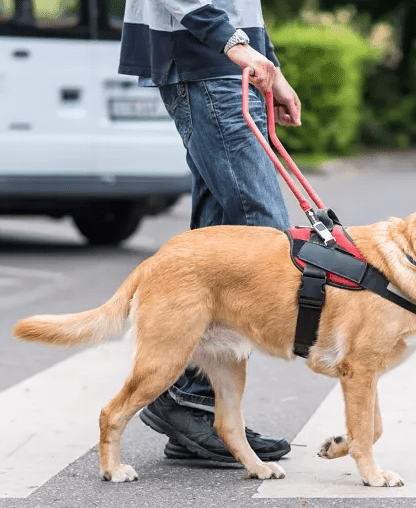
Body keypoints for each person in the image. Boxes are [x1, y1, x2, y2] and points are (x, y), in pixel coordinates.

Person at [118, 0, 302, 462]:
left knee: (218, 238)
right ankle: (186, 401)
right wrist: (237, 47)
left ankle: (194, 406)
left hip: (222, 63)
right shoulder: (222, 51)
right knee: (266, 243)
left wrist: (268, 63)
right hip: (210, 63)